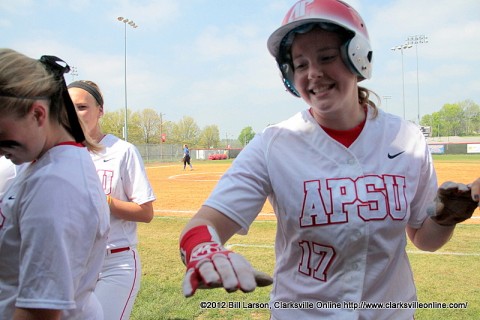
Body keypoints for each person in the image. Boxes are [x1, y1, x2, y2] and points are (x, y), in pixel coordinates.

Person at [178, 1, 480, 319]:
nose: (314, 73)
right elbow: (202, 225)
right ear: (288, 75)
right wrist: (203, 250)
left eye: (326, 57)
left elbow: (424, 239)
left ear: (358, 57)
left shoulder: (406, 139)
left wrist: (446, 219)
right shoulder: (273, 144)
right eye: (300, 63)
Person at [0, 49, 109, 319]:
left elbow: (39, 312)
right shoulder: (43, 164)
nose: (0, 150)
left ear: (38, 115)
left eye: (2, 135)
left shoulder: (56, 184)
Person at [68, 80, 156, 320]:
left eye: (82, 107)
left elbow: (145, 212)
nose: (74, 113)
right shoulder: (59, 153)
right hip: (72, 264)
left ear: (100, 110)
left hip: (114, 262)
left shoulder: (121, 151)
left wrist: (103, 200)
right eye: (67, 106)